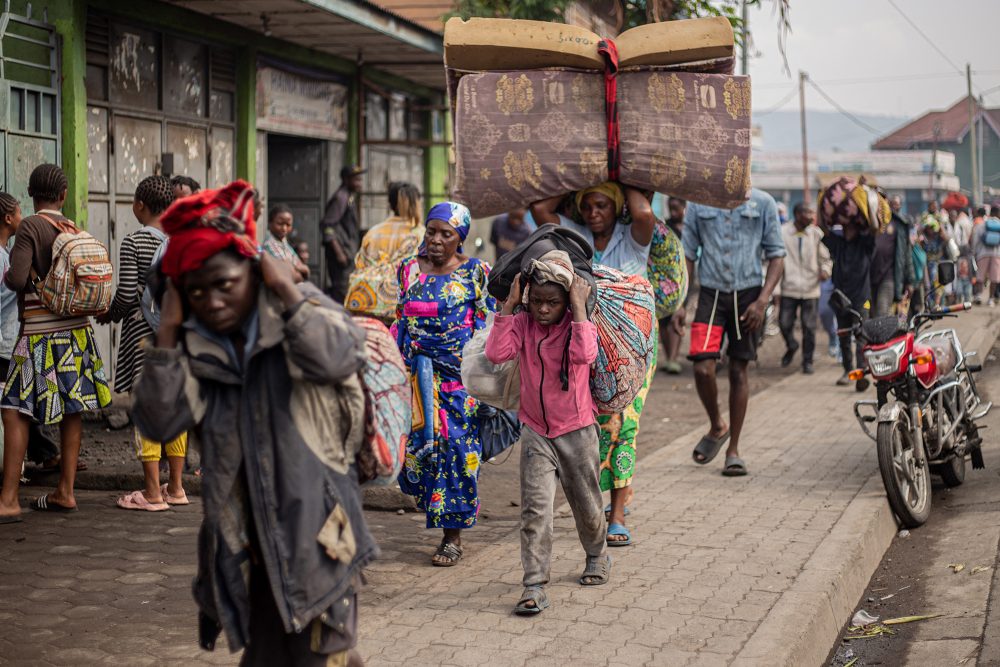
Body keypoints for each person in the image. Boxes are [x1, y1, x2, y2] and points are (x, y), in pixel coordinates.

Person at [131, 179, 373, 665]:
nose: (213, 300)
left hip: (317, 536)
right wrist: (168, 333)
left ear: (252, 271)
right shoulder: (191, 348)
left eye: (226, 284)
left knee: (317, 655)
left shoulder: (298, 312)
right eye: (197, 292)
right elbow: (159, 424)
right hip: (244, 546)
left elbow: (339, 357)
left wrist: (285, 286)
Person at [532, 182, 655, 546]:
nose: (593, 213)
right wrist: (579, 175)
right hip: (585, 337)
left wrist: (623, 174)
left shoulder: (633, 237)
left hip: (633, 343)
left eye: (602, 205)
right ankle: (604, 499)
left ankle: (615, 515)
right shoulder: (576, 238)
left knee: (623, 423)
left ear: (617, 207)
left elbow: (645, 212)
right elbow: (541, 211)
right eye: (587, 206)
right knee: (591, 422)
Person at [486, 257, 610, 615]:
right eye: (536, 300)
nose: (542, 309)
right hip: (536, 432)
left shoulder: (576, 324)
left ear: (566, 300)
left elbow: (585, 355)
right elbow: (496, 353)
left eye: (551, 302)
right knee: (535, 511)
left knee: (586, 505)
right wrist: (509, 306)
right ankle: (534, 584)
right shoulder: (523, 322)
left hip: (578, 430)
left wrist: (577, 306)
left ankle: (597, 554)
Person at [0, 164, 112, 521]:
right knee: (72, 407)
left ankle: (9, 500)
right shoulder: (72, 226)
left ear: (32, 194)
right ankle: (65, 491)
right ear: (63, 196)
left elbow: (17, 279)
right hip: (77, 332)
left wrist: (13, 270)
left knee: (15, 408)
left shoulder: (31, 226)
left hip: (39, 333)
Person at [394, 202, 495, 566]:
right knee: (417, 453)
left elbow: (487, 327)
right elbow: (399, 319)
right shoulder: (407, 270)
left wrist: (489, 383)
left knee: (457, 454)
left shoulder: (476, 273)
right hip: (414, 380)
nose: (436, 240)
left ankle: (452, 538)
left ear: (460, 239)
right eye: (431, 231)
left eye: (446, 234)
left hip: (458, 383)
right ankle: (429, 507)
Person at [96, 176, 189, 512]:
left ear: (139, 205)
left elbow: (125, 295)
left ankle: (151, 492)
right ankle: (176, 488)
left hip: (143, 338)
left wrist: (109, 315)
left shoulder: (134, 241)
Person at [683, 188, 785, 477]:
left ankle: (734, 450)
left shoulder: (763, 202)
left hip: (749, 296)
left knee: (739, 371)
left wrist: (763, 300)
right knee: (703, 368)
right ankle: (717, 425)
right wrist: (681, 301)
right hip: (710, 296)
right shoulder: (697, 202)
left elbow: (777, 255)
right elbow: (688, 255)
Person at [0, 193, 65, 474]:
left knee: (21, 400)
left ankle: (43, 454)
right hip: (5, 340)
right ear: (8, 218)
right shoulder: (2, 257)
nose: (22, 216)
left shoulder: (7, 253)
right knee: (17, 405)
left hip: (10, 338)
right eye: (18, 212)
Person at [818, 212, 876, 390]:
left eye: (850, 226)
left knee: (860, 334)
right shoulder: (838, 243)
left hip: (862, 297)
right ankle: (847, 371)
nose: (847, 229)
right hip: (840, 297)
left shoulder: (865, 243)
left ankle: (861, 372)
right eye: (844, 226)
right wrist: (822, 203)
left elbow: (874, 228)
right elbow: (822, 229)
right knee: (843, 334)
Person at [778, 204, 831, 375]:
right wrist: (776, 290)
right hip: (789, 287)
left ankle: (807, 361)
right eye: (808, 213)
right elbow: (775, 260)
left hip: (810, 289)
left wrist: (825, 270)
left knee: (809, 327)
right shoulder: (782, 232)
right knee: (784, 323)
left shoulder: (816, 234)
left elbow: (826, 259)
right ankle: (791, 345)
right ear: (798, 214)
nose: (812, 216)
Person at [322, 165, 364, 303]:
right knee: (341, 292)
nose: (359, 183)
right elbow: (327, 226)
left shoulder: (349, 197)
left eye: (360, 179)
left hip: (348, 253)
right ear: (346, 180)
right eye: (356, 180)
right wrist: (339, 252)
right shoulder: (340, 198)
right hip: (341, 257)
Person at [870, 195, 915, 317]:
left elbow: (906, 255)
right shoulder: (866, 223)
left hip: (888, 277)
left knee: (882, 313)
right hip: (868, 280)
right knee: (868, 316)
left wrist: (910, 280)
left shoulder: (898, 224)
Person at [659, 197, 687, 375]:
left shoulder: (691, 227)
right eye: (671, 208)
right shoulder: (665, 227)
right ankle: (669, 357)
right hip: (665, 278)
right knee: (663, 320)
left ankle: (674, 358)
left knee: (678, 316)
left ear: (684, 207)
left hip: (684, 278)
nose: (674, 212)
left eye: (677, 208)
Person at [262, 204, 309, 282]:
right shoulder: (270, 245)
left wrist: (300, 269)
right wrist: (304, 272)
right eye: (280, 224)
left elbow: (298, 264)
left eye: (288, 225)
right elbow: (288, 275)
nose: (284, 228)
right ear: (269, 223)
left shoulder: (284, 243)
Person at [972, 205, 1000, 306]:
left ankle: (979, 296)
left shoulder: (982, 225)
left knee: (980, 276)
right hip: (997, 254)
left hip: (982, 254)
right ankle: (991, 299)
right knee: (994, 278)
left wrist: (974, 252)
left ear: (990, 213)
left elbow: (975, 240)